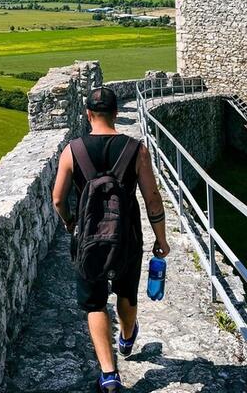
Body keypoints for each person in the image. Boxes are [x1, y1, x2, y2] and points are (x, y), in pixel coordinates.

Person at [51, 86, 170, 392]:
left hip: (87, 240)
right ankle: (128, 336)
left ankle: (108, 373)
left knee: (94, 304)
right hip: (126, 238)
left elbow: (57, 199)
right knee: (126, 294)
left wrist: (70, 223)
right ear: (117, 113)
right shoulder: (135, 149)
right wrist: (161, 239)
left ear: (88, 114)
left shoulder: (72, 150)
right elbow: (153, 200)